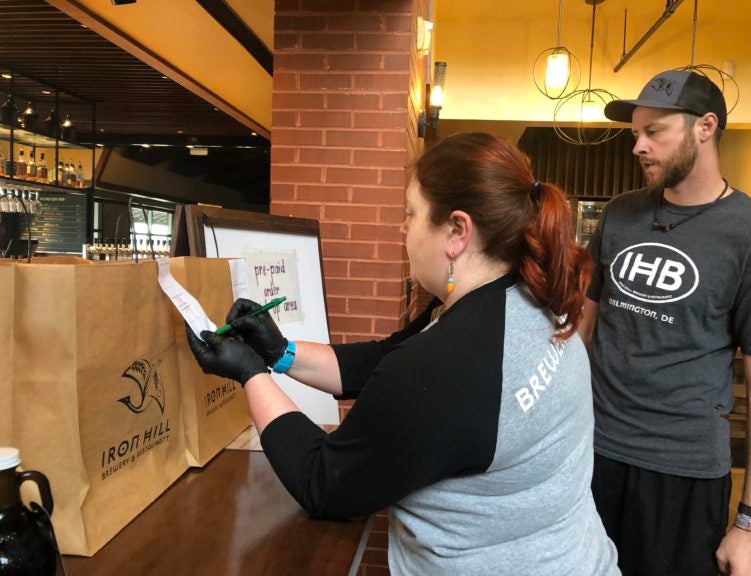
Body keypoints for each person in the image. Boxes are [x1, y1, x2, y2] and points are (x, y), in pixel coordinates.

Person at [187, 132, 619, 575]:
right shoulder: (524, 297)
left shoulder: (451, 363)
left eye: (411, 213)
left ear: (456, 231)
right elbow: (383, 360)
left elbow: (325, 484)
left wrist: (250, 372)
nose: (403, 228)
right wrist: (280, 351)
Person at [580, 69, 751, 576]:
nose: (638, 146)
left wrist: (750, 524)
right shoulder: (620, 214)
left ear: (705, 127)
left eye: (655, 131)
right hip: (590, 453)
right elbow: (581, 332)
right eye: (635, 133)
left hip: (682, 470)